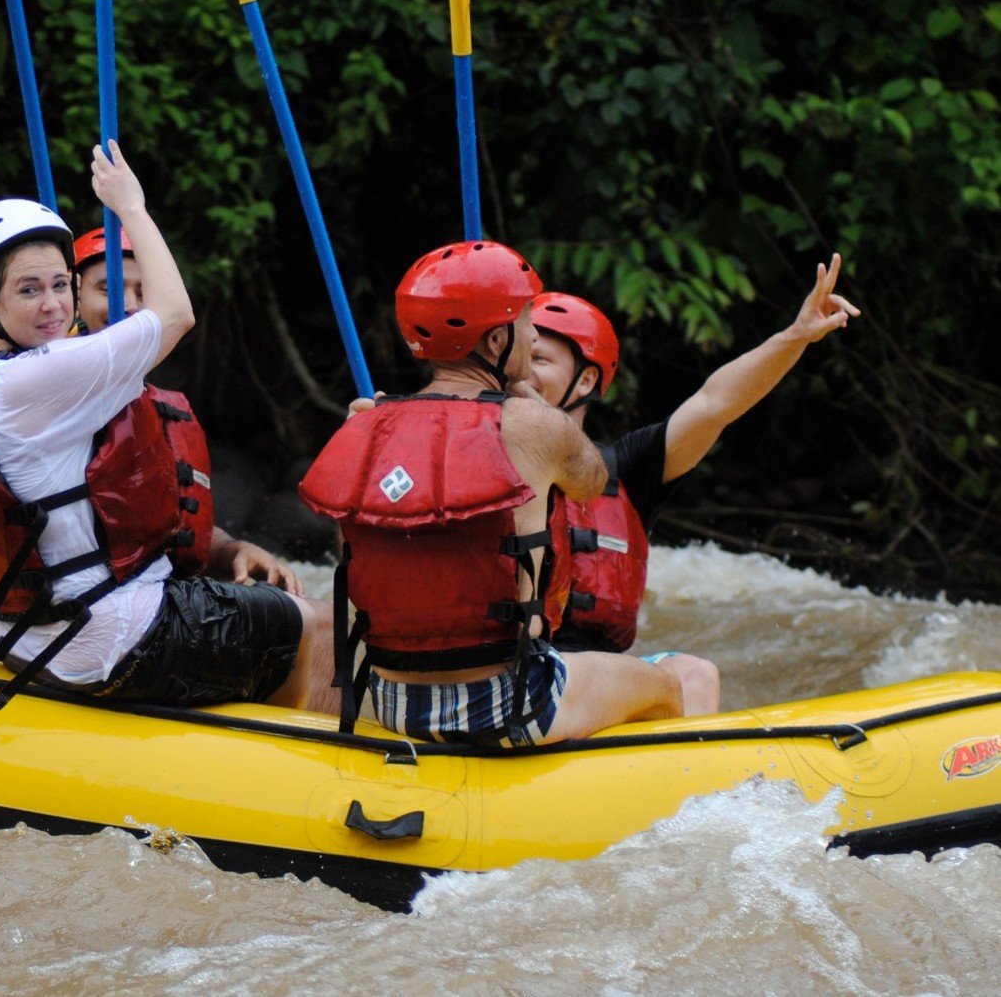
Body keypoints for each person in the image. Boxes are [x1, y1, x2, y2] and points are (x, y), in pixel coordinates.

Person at [0, 145, 337, 711]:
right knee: (294, 618)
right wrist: (132, 208)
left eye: (59, 285)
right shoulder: (46, 374)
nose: (53, 306)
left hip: (24, 638)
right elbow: (176, 314)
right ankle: (282, 762)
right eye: (28, 290)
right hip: (108, 644)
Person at [300, 240, 705, 747]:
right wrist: (530, 402)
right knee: (665, 684)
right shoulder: (535, 425)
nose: (534, 334)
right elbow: (590, 480)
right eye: (528, 323)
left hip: (391, 701)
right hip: (513, 702)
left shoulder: (362, 426)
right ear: (496, 343)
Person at [530, 255, 859, 708]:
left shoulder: (626, 468)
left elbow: (715, 404)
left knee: (696, 675)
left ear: (586, 379)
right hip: (517, 670)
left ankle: (686, 774)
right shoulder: (479, 454)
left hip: (599, 672)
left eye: (539, 359)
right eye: (514, 359)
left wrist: (794, 337)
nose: (520, 373)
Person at [69, 226, 299, 593]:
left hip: (152, 599)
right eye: (108, 290)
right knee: (316, 622)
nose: (128, 305)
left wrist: (232, 549)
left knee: (297, 607)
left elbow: (172, 528)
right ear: (72, 296)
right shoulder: (50, 388)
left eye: (144, 293)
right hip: (89, 610)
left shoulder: (159, 406)